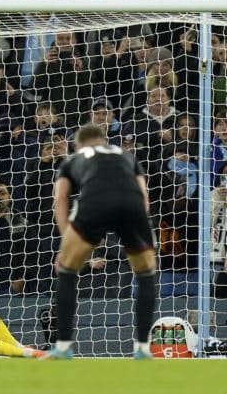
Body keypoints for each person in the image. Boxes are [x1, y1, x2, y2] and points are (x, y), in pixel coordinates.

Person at [45, 124, 156, 359]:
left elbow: (60, 199)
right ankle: (143, 349)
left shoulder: (72, 159)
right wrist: (136, 228)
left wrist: (68, 240)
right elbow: (144, 198)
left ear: (77, 145)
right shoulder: (126, 155)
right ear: (103, 142)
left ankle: (63, 347)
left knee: (64, 268)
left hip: (93, 203)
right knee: (146, 272)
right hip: (132, 206)